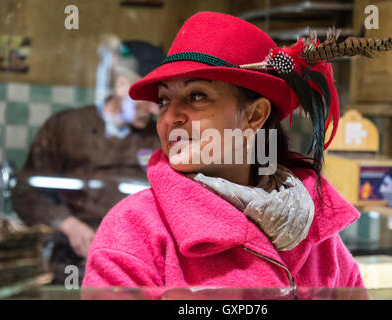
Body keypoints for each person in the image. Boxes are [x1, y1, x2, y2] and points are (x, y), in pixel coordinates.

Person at [82, 11, 366, 294]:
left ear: (254, 116)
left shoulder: (317, 233)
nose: (170, 118)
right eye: (164, 100)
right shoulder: (133, 229)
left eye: (196, 96)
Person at [12, 39, 165, 284]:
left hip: (139, 263)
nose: (154, 110)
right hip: (67, 263)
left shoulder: (159, 137)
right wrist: (67, 224)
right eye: (147, 98)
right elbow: (26, 191)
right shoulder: (67, 127)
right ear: (122, 84)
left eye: (159, 100)